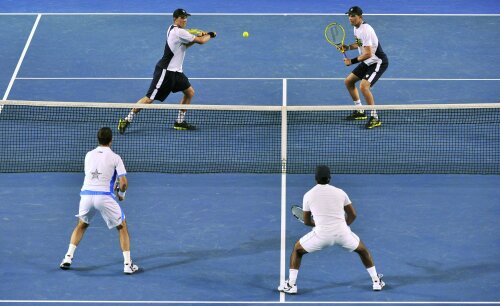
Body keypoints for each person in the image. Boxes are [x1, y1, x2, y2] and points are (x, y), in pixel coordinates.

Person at [278, 165, 384, 294]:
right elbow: (353, 215)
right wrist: (344, 225)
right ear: (330, 178)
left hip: (321, 236)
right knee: (363, 250)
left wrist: (317, 224)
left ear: (315, 178)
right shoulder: (340, 192)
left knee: (297, 250)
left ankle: (291, 285)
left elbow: (306, 221)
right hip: (343, 233)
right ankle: (376, 282)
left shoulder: (308, 195)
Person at [118, 8, 216, 133]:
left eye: (186, 17)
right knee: (149, 99)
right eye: (182, 17)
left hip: (176, 72)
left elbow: (185, 45)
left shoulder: (172, 29)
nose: (185, 20)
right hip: (166, 72)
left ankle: (179, 122)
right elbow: (201, 41)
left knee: (189, 92)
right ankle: (127, 120)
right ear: (175, 19)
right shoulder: (178, 32)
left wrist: (196, 38)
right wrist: (210, 35)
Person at [59, 127, 139, 274]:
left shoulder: (88, 155)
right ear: (111, 140)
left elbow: (96, 176)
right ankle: (128, 265)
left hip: (86, 196)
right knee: (122, 226)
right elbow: (124, 182)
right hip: (104, 197)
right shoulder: (116, 157)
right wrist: (121, 193)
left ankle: (67, 257)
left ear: (98, 139)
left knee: (82, 225)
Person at [342, 6, 388, 129]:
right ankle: (360, 111)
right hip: (367, 61)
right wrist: (347, 47)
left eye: (353, 16)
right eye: (349, 16)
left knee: (364, 86)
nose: (350, 18)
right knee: (348, 81)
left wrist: (351, 61)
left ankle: (375, 117)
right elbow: (360, 43)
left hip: (377, 62)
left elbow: (368, 53)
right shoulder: (356, 28)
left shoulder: (366, 30)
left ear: (360, 17)